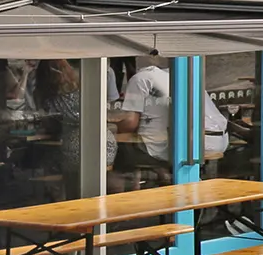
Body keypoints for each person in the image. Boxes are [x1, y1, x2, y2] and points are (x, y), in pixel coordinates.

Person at [37, 60, 115, 199]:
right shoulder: (85, 89)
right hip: (106, 144)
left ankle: (60, 200)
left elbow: (51, 126)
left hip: (77, 148)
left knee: (46, 159)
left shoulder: (52, 100)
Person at [115, 55, 173, 183]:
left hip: (151, 149)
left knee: (113, 152)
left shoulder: (139, 79)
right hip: (170, 147)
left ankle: (117, 193)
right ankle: (159, 174)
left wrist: (112, 126)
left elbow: (130, 123)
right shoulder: (169, 75)